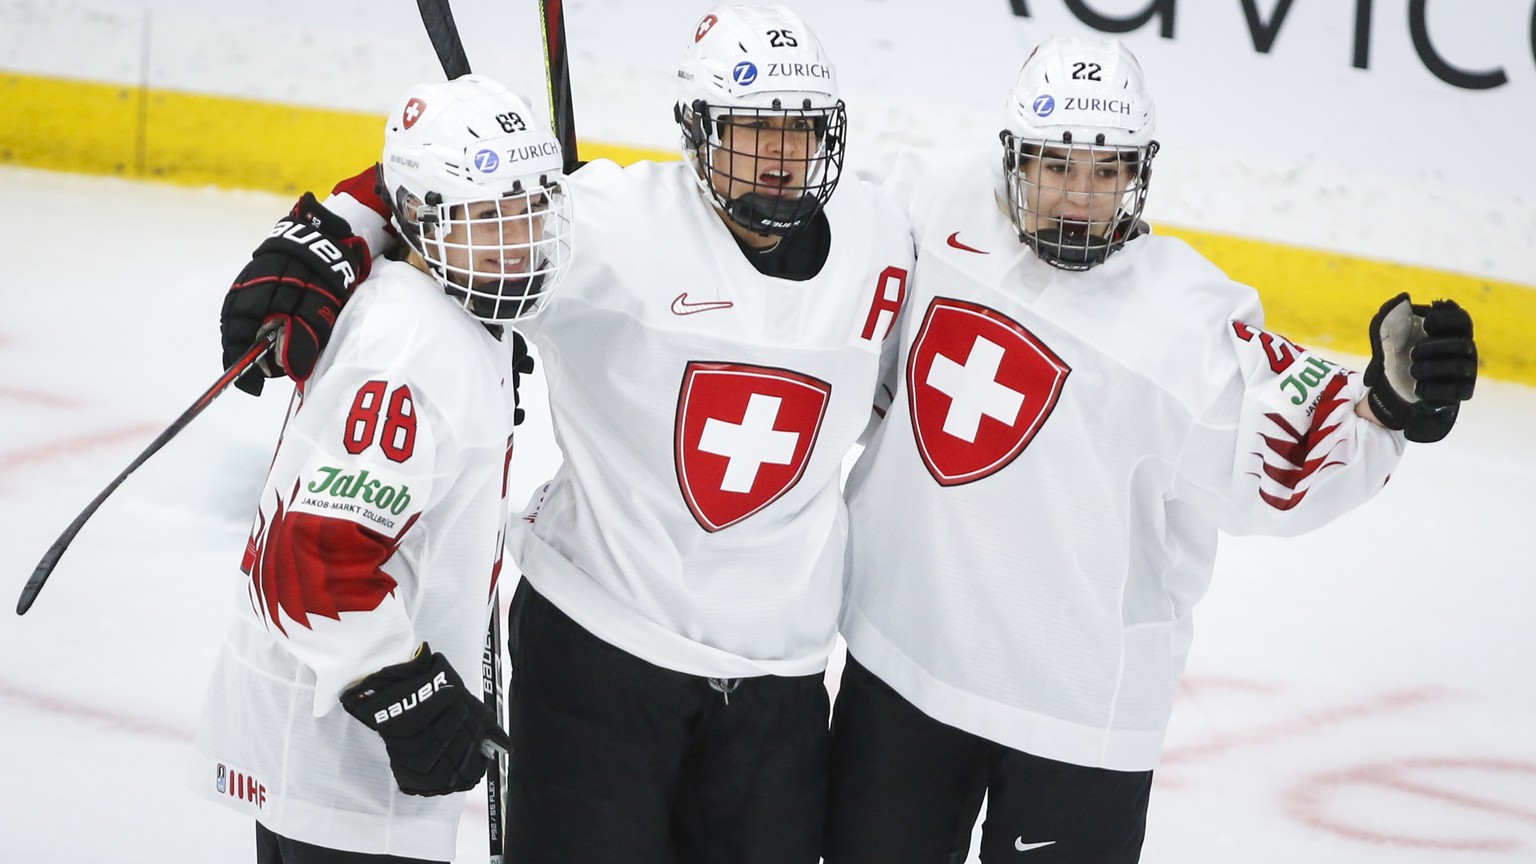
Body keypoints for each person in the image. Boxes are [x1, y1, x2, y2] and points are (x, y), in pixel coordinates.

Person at [213, 6, 914, 863]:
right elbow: (458, 189)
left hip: (783, 675)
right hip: (600, 653)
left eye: (799, 130)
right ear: (695, 132)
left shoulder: (887, 238)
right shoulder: (607, 221)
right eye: (748, 128)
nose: (777, 153)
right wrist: (328, 236)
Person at [823, 35, 1479, 864]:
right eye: (1056, 165)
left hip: (1077, 714)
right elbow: (808, 289)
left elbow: (1280, 467)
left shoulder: (1189, 317)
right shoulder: (927, 204)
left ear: (1140, 173)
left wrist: (1392, 404)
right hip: (900, 663)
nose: (1079, 196)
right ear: (1013, 157)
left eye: (1108, 171)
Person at [193, 74, 574, 862]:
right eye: (484, 218)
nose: (514, 241)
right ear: (420, 221)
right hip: (339, 751)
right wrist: (407, 691)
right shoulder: (410, 346)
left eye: (528, 208)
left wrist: (345, 220)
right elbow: (307, 560)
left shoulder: (440, 293)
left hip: (335, 741)